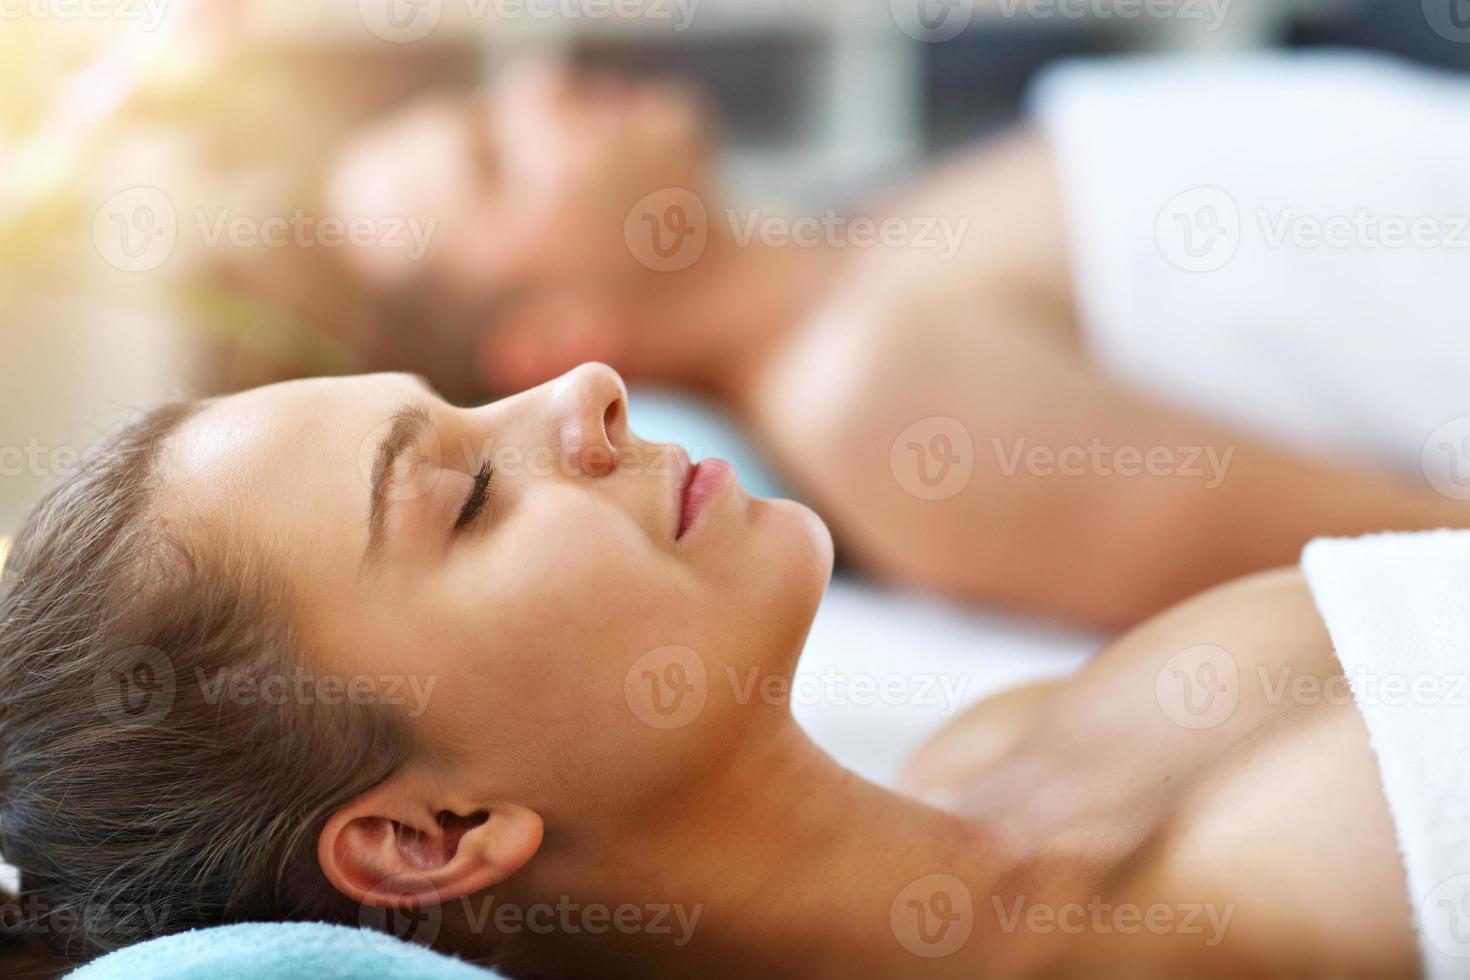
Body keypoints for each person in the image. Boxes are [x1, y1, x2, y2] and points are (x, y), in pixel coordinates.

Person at [0, 365, 1426, 977]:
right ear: (429, 837)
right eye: (466, 498)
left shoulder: (1030, 728)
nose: (584, 394)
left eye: (467, 410)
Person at [323, 54, 1470, 629]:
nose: (538, 84)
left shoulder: (873, 247)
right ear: (556, 337)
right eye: (494, 154)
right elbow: (1415, 554)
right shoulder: (873, 400)